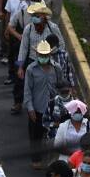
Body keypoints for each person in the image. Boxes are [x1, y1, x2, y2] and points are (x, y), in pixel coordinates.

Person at [24, 40, 64, 169]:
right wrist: (30, 109)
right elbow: (27, 90)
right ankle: (36, 159)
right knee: (36, 136)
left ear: (50, 55)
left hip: (53, 109)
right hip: (37, 108)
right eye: (41, 55)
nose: (43, 57)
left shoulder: (57, 68)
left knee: (54, 136)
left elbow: (61, 86)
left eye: (45, 55)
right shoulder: (31, 69)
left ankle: (52, 160)